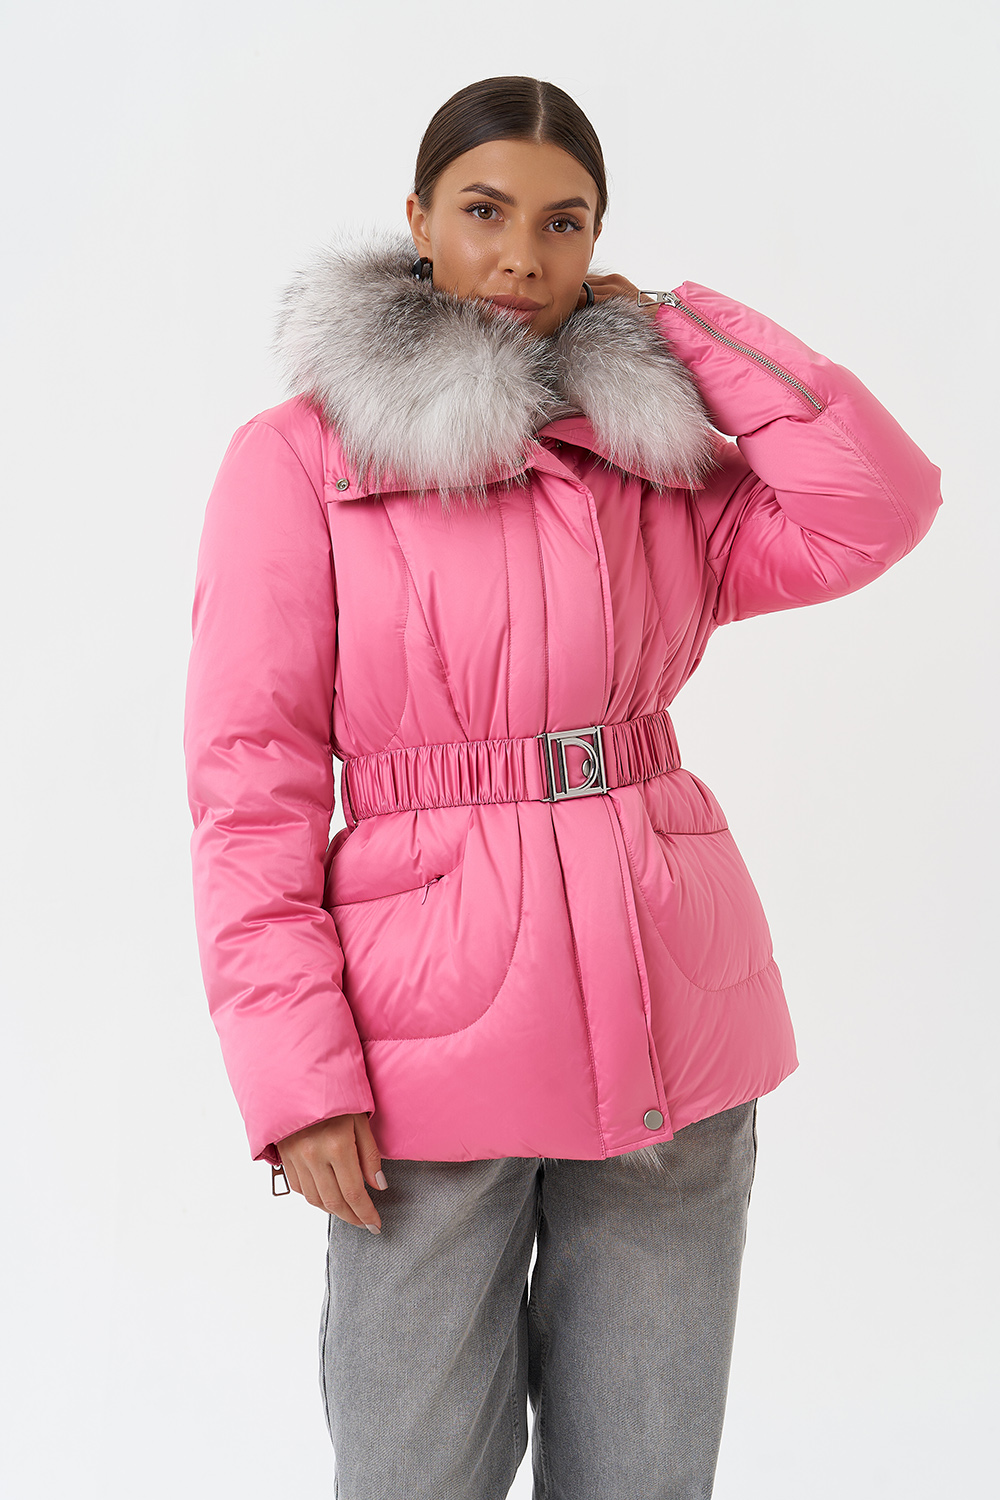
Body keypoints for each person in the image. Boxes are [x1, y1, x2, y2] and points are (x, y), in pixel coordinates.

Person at [183, 75, 943, 1500]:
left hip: (674, 1033)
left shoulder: (648, 456)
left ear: (600, 244)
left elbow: (876, 508)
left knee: (648, 1478)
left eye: (563, 224)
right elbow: (250, 783)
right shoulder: (296, 462)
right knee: (412, 1473)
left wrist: (687, 326)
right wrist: (295, 1076)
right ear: (419, 220)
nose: (521, 257)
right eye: (484, 212)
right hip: (421, 1065)